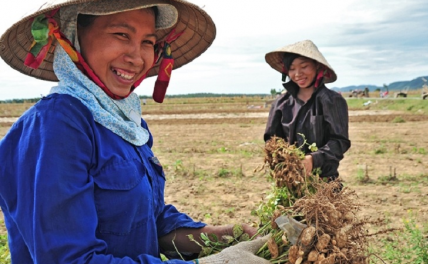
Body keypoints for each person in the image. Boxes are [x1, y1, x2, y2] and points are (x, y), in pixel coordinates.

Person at [0, 0, 270, 263]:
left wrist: (224, 237)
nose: (137, 56)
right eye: (121, 35)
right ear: (74, 36)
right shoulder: (57, 124)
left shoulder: (126, 122)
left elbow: (150, 223)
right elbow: (69, 259)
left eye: (148, 42)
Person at [264, 40, 351, 181]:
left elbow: (340, 142)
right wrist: (284, 160)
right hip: (290, 182)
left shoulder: (332, 101)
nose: (298, 74)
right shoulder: (281, 103)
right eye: (291, 69)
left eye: (304, 66)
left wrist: (313, 159)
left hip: (324, 184)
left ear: (317, 66)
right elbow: (271, 140)